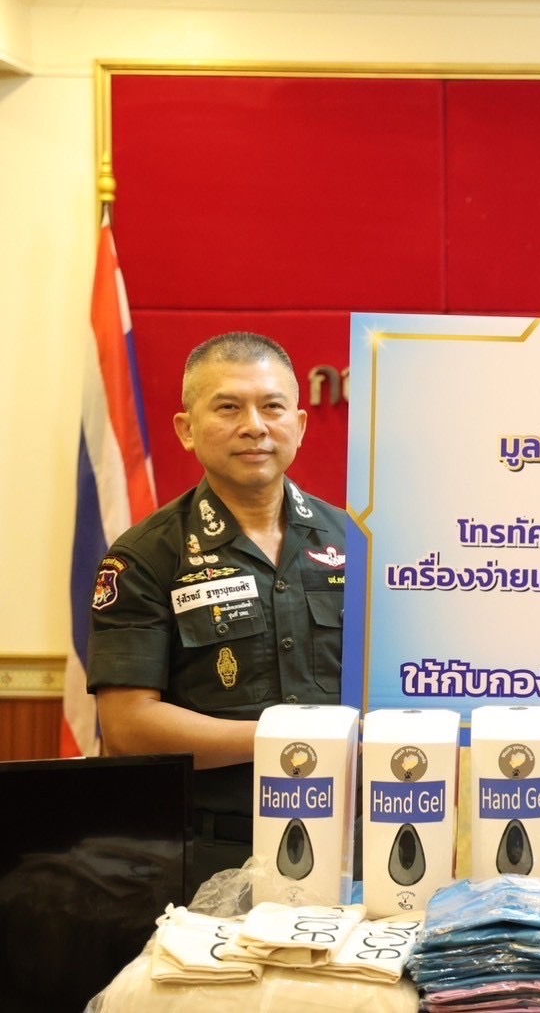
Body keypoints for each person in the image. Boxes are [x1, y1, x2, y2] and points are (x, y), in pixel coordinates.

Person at [87, 332, 347, 890]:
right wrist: (287, 738)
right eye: (228, 407)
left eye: (272, 406)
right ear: (187, 429)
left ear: (300, 424)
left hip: (352, 840)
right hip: (211, 853)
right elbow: (127, 727)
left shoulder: (358, 543)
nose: (254, 426)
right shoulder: (146, 555)